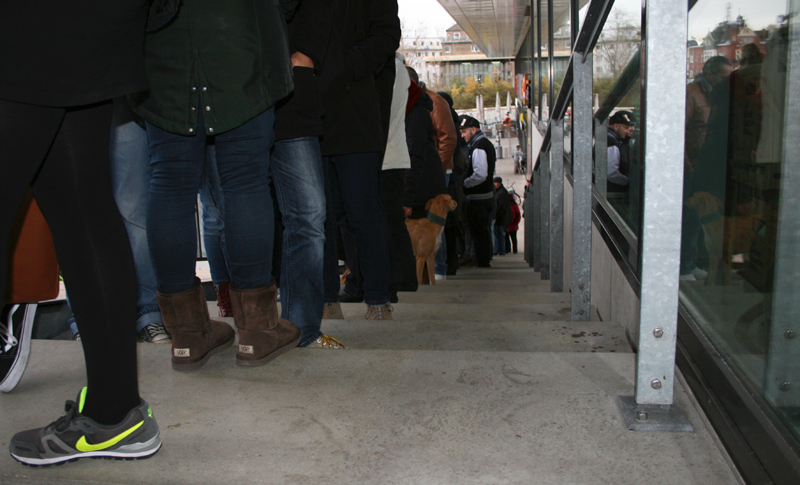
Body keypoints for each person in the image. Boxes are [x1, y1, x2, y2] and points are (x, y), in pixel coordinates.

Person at [2, 0, 166, 465]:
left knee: (81, 206)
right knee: (80, 205)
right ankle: (115, 413)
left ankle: (115, 413)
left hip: (30, 22)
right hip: (87, 21)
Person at [133, 1, 301, 368]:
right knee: (245, 181)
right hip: (242, 38)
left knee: (170, 182)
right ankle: (257, 331)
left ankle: (186, 336)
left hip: (164, 45)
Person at [320, 0, 401, 321]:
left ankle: (378, 298)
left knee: (363, 210)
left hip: (356, 109)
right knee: (318, 215)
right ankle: (326, 298)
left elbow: (386, 33)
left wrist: (343, 66)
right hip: (309, 107)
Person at [271, 0, 343, 349]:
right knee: (230, 211)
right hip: (234, 83)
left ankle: (301, 328)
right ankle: (253, 326)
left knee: (310, 214)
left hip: (293, 89)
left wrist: (305, 55)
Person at [459, 115, 496, 268]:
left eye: (464, 132)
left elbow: (480, 174)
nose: (462, 135)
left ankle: (481, 261)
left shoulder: (478, 146)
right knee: (483, 231)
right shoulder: (484, 143)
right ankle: (484, 259)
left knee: (479, 232)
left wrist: (465, 184)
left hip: (478, 198)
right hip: (485, 196)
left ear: (473, 129)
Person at [606, 110, 636, 193]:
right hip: (613, 191)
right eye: (626, 128)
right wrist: (628, 181)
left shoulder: (618, 140)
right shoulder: (611, 142)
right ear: (616, 126)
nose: (629, 131)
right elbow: (611, 173)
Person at [493, 177, 511, 256]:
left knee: (499, 235)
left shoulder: (501, 193)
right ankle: (500, 250)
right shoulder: (501, 192)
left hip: (501, 218)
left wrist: (495, 215)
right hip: (501, 218)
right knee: (499, 235)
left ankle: (501, 251)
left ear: (497, 183)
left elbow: (501, 207)